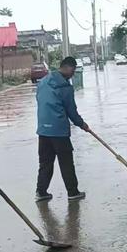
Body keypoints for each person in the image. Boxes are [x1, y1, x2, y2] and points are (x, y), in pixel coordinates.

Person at [36, 56, 90, 202]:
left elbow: (40, 101)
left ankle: (41, 192)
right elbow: (71, 111)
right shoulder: (65, 87)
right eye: (73, 70)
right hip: (58, 131)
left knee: (45, 162)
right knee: (66, 162)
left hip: (43, 130)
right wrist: (82, 124)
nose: (73, 73)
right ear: (66, 67)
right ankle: (73, 192)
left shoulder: (43, 82)